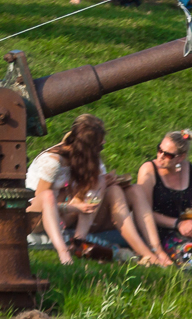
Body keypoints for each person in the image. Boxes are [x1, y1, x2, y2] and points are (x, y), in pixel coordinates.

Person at [26, 114, 170, 267]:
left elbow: (92, 188)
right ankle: (64, 252)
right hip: (38, 219)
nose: (104, 144)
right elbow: (37, 202)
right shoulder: (53, 161)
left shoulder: (86, 158)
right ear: (87, 147)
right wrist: (74, 206)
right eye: (100, 145)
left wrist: (107, 182)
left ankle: (80, 241)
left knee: (117, 187)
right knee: (48, 195)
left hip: (67, 213)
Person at [127, 128, 192, 265]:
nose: (160, 156)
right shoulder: (149, 171)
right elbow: (145, 214)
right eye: (159, 149)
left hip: (190, 227)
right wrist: (177, 224)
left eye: (168, 154)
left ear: (181, 157)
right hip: (160, 231)